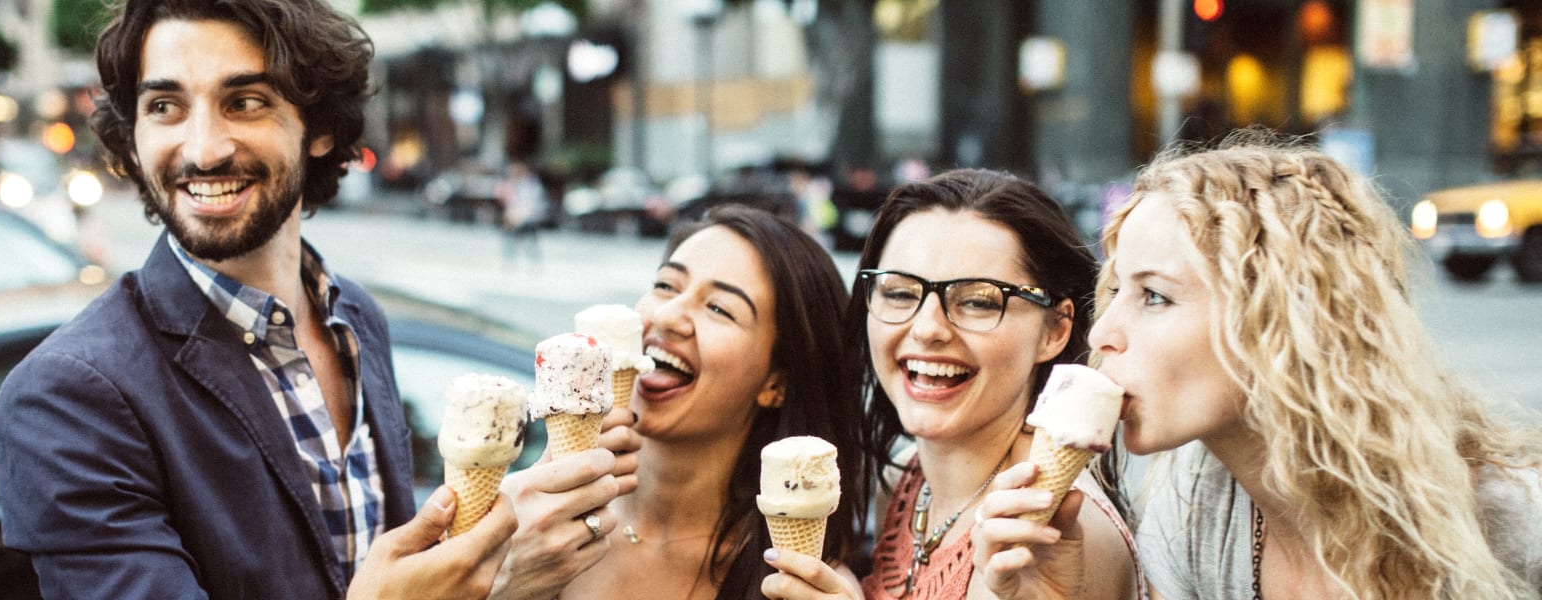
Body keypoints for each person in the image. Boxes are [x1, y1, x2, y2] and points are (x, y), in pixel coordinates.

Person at [0, 1, 626, 598]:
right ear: (133, 133)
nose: (204, 148)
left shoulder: (358, 322)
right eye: (165, 106)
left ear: (320, 127)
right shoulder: (65, 398)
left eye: (244, 102)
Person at [975, 134, 1542, 599]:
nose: (1100, 333)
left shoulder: (1510, 525)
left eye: (1154, 296)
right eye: (1117, 288)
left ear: (1281, 322)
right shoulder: (1195, 509)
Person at [772, 170, 1140, 600]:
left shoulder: (1055, 534)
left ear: (1055, 330)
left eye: (978, 301)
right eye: (899, 293)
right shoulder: (901, 483)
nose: (927, 328)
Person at [557, 204, 870, 600]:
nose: (669, 315)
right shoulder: (535, 529)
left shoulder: (804, 586)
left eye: (719, 308)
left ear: (777, 381)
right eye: (666, 286)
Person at [499, 161, 546, 268]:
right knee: (509, 241)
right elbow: (511, 202)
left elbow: (531, 204)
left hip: (528, 219)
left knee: (530, 242)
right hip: (514, 218)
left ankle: (534, 264)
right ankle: (510, 263)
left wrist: (518, 217)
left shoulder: (532, 185)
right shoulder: (515, 184)